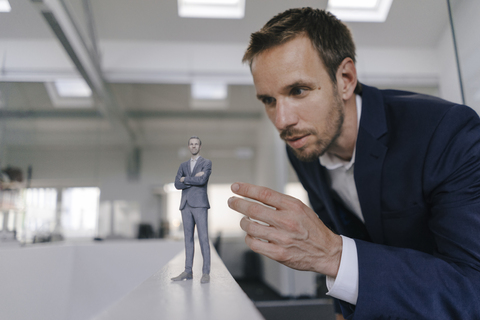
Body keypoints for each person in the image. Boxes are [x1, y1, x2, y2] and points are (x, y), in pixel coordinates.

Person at [227, 7, 480, 319]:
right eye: (268, 100)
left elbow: (472, 288)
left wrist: (331, 255)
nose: (282, 120)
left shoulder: (444, 131)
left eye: (298, 90)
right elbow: (339, 233)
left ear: (345, 79)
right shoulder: (304, 147)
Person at [172, 136, 212, 284]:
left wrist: (185, 179)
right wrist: (192, 178)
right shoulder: (183, 165)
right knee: (188, 240)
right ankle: (188, 271)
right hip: (185, 205)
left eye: (196, 144)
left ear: (200, 146)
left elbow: (202, 181)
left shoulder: (206, 163)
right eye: (191, 144)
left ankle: (206, 272)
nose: (194, 146)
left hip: (200, 204)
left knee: (203, 239)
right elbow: (177, 184)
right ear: (188, 147)